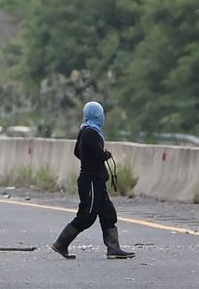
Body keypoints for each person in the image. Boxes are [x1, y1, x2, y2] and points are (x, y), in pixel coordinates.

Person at [50, 101, 135, 260]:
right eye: (101, 114)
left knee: (108, 213)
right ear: (97, 115)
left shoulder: (85, 130)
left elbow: (77, 152)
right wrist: (105, 155)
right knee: (87, 215)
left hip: (96, 180)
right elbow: (96, 155)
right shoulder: (91, 133)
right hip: (91, 181)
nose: (103, 117)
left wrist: (90, 158)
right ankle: (61, 243)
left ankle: (113, 248)